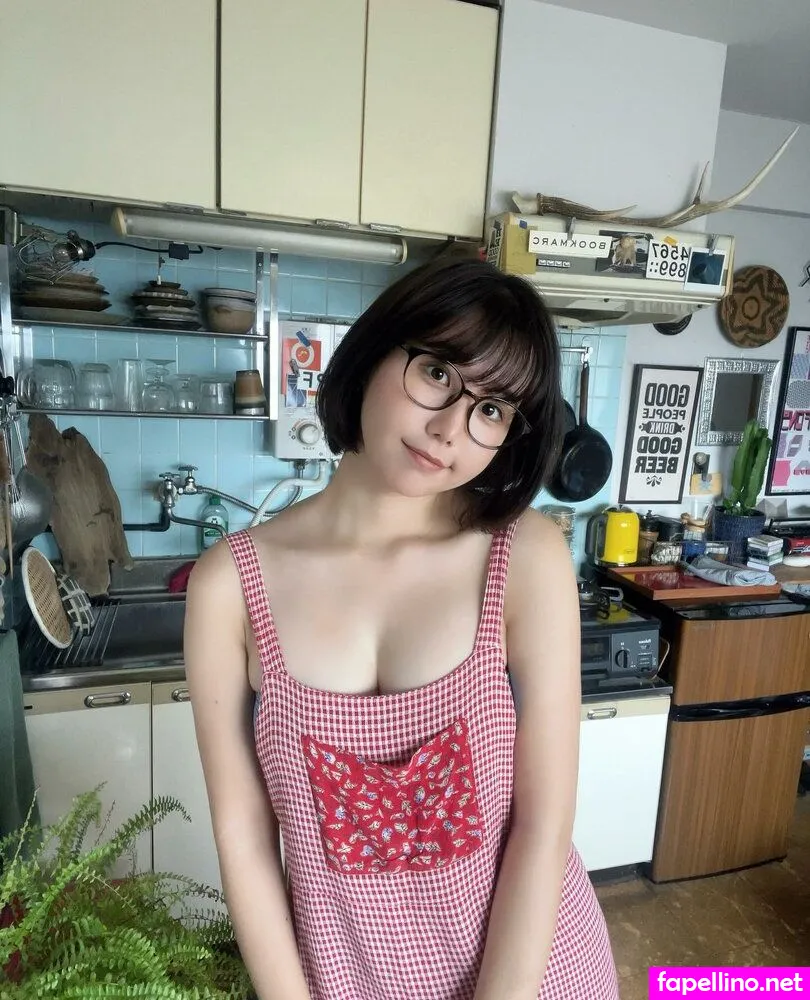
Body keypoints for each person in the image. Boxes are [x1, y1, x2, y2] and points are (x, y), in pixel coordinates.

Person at [184, 257, 619, 1000]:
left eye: (492, 410)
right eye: (439, 374)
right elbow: (243, 836)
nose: (450, 429)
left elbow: (543, 826)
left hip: (535, 976)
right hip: (342, 980)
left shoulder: (524, 556)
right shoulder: (229, 585)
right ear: (374, 352)